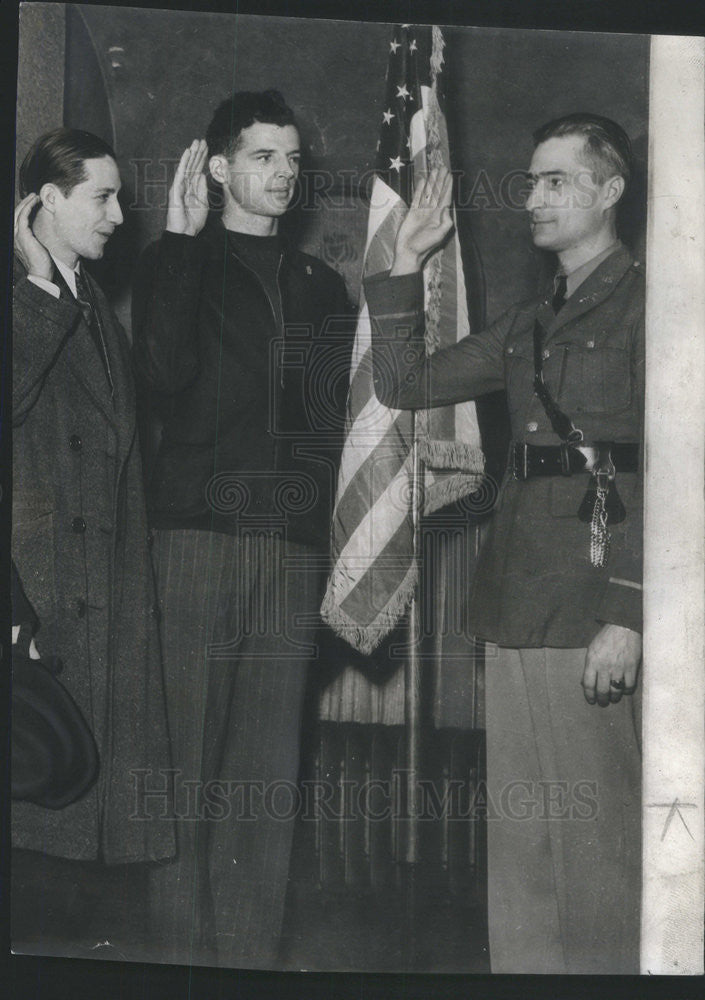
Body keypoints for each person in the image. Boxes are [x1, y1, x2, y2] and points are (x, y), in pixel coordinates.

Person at [366, 113, 643, 974]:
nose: (534, 198)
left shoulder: (658, 301)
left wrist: (630, 611)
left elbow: (681, 467)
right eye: (530, 180)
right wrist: (405, 261)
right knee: (523, 837)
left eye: (556, 180)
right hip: (514, 597)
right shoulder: (528, 320)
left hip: (594, 597)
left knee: (596, 835)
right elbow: (403, 381)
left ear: (609, 191)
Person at [132, 89, 352, 967]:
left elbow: (333, 422)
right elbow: (161, 378)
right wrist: (182, 245)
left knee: (266, 780)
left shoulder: (318, 285)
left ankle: (248, 964)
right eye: (264, 156)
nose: (284, 174)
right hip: (192, 541)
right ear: (218, 166)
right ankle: (182, 966)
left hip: (290, 552)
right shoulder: (174, 261)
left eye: (293, 159)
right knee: (182, 770)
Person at [12, 127, 175, 954]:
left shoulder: (94, 306)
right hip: (41, 600)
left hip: (101, 595)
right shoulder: (31, 303)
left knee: (90, 847)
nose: (119, 213)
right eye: (102, 197)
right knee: (42, 817)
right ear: (46, 204)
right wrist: (35, 290)